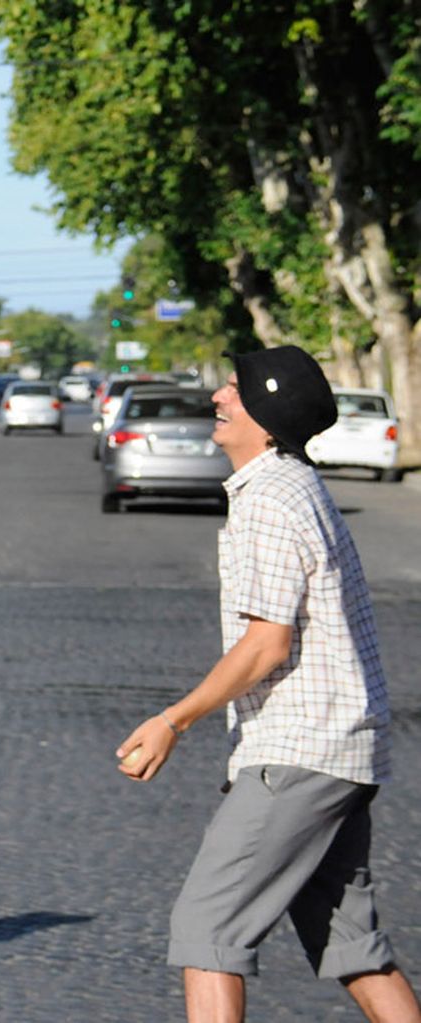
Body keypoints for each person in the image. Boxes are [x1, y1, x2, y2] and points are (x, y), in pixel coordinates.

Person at [116, 346, 421, 1023]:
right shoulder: (297, 486)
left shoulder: (272, 498)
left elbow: (265, 643)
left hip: (300, 750)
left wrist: (175, 718)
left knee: (207, 927)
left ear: (267, 413)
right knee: (352, 944)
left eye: (232, 390)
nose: (218, 399)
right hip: (342, 750)